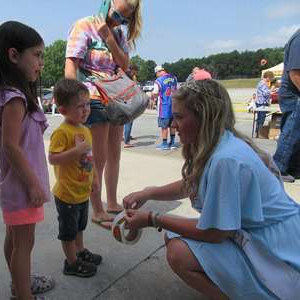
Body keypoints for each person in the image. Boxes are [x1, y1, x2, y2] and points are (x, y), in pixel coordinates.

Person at [123, 79, 300, 299]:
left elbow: (215, 232)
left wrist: (152, 218)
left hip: (275, 248)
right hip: (261, 232)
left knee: (179, 252)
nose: (172, 124)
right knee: (175, 235)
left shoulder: (225, 159)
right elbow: (194, 183)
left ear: (204, 117)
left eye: (179, 117)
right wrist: (149, 192)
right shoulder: (222, 144)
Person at [0, 21, 54, 300]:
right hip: (22, 186)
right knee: (24, 244)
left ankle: (19, 283)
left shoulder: (11, 94)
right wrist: (34, 185)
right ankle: (23, 294)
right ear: (14, 55)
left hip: (15, 185)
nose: (41, 62)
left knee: (15, 241)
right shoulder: (15, 98)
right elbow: (12, 148)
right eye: (37, 55)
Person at [65, 0, 143, 228]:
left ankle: (111, 201)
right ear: (106, 4)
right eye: (117, 14)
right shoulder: (83, 25)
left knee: (114, 154)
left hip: (116, 97)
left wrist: (108, 36)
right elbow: (71, 67)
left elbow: (125, 63)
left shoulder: (117, 34)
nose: (117, 21)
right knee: (98, 158)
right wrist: (74, 105)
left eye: (124, 19)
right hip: (93, 96)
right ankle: (97, 208)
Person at [48, 79, 102, 278]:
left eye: (87, 104)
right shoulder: (62, 132)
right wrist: (75, 151)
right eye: (80, 106)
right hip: (67, 194)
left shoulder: (84, 129)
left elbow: (90, 158)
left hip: (82, 192)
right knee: (68, 232)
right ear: (62, 110)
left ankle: (80, 252)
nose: (86, 109)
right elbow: (53, 158)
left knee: (80, 226)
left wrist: (95, 179)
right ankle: (71, 262)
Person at [273, 28, 300, 182]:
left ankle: (294, 168)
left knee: (296, 132)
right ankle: (279, 167)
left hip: (294, 93)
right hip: (294, 94)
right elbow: (295, 73)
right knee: (291, 131)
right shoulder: (299, 39)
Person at [152, 65, 178, 150]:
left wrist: (152, 95)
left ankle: (164, 144)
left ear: (158, 72)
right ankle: (173, 143)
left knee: (164, 126)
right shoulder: (174, 77)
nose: (156, 75)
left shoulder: (158, 81)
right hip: (174, 105)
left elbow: (155, 93)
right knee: (172, 125)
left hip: (164, 106)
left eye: (156, 73)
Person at [123, 63, 139, 148]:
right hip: (128, 101)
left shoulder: (123, 75)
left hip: (123, 101)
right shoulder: (129, 78)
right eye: (135, 72)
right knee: (129, 121)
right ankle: (126, 141)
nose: (135, 74)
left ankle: (126, 137)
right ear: (132, 70)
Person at [254, 71, 274, 137]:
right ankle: (259, 133)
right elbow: (265, 93)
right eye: (271, 78)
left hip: (260, 102)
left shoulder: (261, 82)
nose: (271, 80)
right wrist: (271, 90)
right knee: (261, 118)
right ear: (268, 77)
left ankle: (257, 132)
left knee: (260, 117)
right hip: (261, 103)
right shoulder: (263, 83)